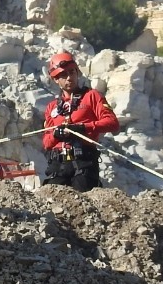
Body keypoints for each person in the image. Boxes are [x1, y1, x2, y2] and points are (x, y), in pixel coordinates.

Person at [40, 51, 119, 192]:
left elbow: (112, 123)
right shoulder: (52, 107)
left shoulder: (91, 96)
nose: (69, 78)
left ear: (77, 72)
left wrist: (83, 127)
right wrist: (55, 136)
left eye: (72, 72)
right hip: (58, 165)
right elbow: (46, 143)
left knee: (82, 202)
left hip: (84, 163)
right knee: (49, 201)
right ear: (55, 80)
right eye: (63, 75)